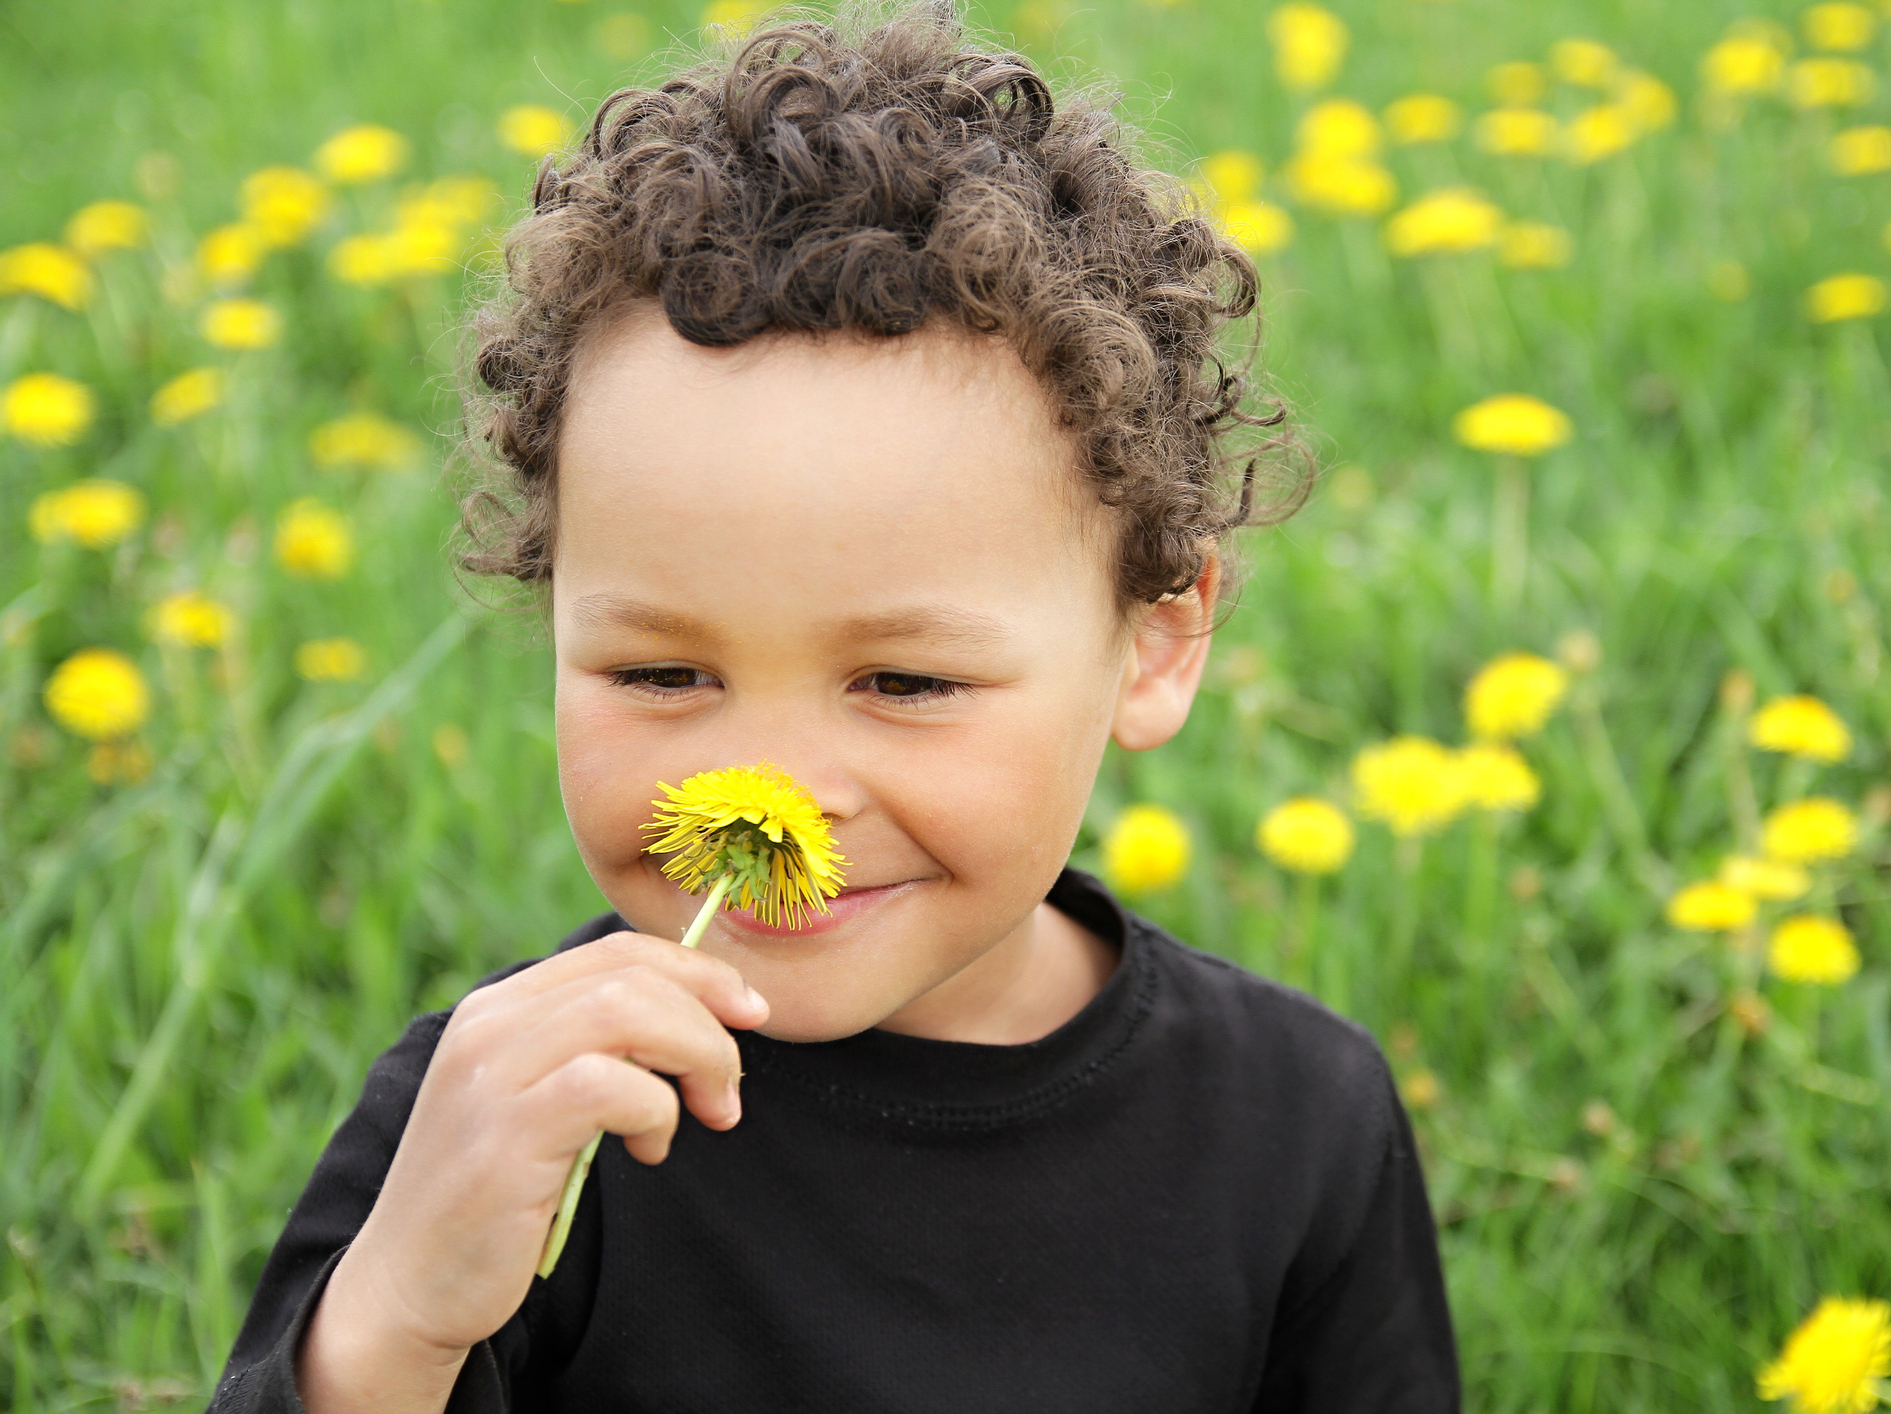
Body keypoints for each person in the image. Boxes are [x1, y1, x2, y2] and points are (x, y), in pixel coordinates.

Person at [209, 4, 1458, 1409]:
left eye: (907, 681)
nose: (775, 785)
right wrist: (390, 1323)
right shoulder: (512, 1111)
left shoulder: (1294, 1122)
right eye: (661, 673)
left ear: (1156, 640)